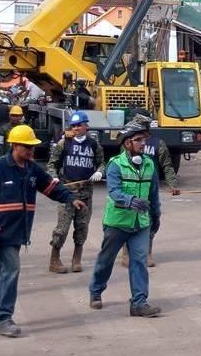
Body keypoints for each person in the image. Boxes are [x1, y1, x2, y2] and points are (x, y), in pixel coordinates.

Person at [0, 124, 86, 337]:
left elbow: (51, 187)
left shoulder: (32, 169)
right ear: (15, 146)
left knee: (0, 272)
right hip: (0, 231)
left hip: (19, 231)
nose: (31, 151)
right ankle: (4, 318)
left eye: (32, 147)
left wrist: (70, 198)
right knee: (11, 270)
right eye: (27, 147)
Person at [88, 119, 162, 317]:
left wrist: (156, 215)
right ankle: (95, 291)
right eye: (138, 140)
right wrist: (130, 201)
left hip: (140, 223)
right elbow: (113, 191)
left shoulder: (149, 165)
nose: (143, 144)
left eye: (144, 140)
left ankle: (139, 303)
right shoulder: (115, 165)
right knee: (106, 260)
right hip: (117, 222)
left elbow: (153, 193)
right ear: (127, 143)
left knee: (139, 261)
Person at [47, 111, 105, 274]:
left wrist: (99, 172)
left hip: (86, 192)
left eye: (79, 125)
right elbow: (52, 164)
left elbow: (102, 163)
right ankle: (54, 259)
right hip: (67, 192)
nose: (76, 128)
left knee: (82, 227)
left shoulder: (94, 145)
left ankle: (76, 258)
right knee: (62, 228)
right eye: (73, 126)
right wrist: (54, 178)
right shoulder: (64, 143)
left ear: (86, 126)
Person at [134, 111, 180, 268]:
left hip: (151, 188)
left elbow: (166, 165)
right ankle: (133, 251)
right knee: (132, 220)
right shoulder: (129, 143)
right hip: (133, 187)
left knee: (154, 218)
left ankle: (147, 249)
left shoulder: (157, 143)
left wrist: (172, 184)